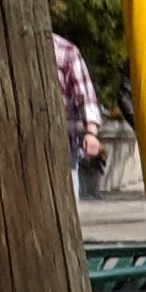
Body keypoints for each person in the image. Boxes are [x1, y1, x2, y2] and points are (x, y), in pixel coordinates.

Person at [53, 29, 106, 200]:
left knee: (65, 200)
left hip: (61, 143)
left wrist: (91, 133)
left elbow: (85, 96)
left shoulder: (65, 51)